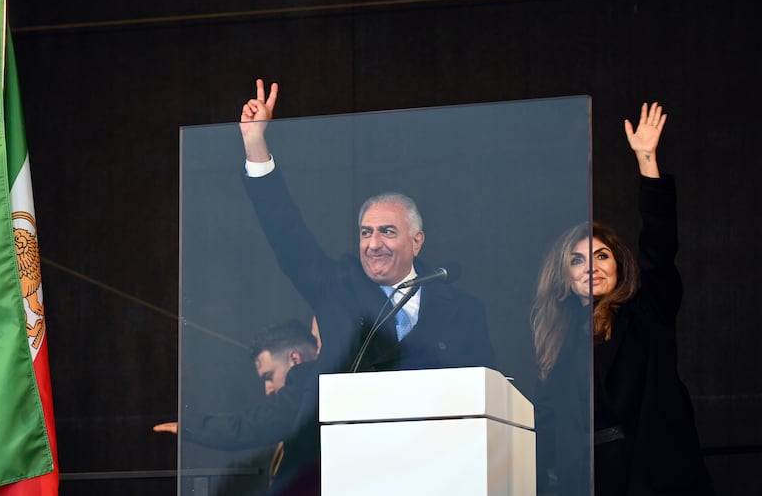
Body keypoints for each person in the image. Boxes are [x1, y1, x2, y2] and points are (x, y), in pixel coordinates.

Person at [238, 79, 496, 376]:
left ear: (416, 241)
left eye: (387, 231)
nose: (373, 244)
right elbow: (286, 232)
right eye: (365, 232)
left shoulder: (465, 311)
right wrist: (255, 142)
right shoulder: (336, 290)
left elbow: (485, 394)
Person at [531, 102, 714, 495]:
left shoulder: (648, 310)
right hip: (591, 483)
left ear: (618, 264)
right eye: (577, 260)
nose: (591, 267)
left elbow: (659, 248)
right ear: (564, 276)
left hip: (652, 477)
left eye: (601, 255)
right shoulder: (558, 340)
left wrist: (647, 161)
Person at [154, 319, 321, 495]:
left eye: (269, 376)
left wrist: (193, 427)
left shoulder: (308, 397)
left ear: (295, 359)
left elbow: (248, 426)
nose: (268, 389)